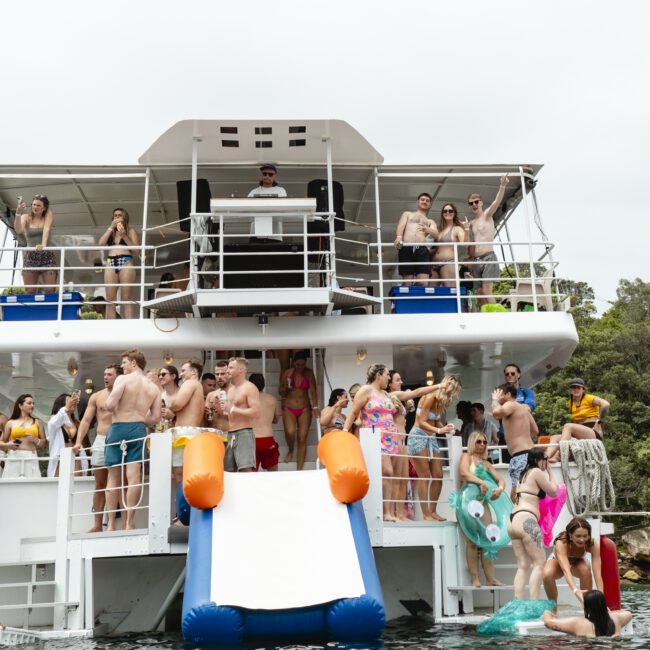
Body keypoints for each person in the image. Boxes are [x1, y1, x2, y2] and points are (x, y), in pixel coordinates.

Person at [104, 349, 161, 531]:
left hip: (119, 426)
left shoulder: (123, 379)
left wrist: (109, 405)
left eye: (125, 363)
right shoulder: (153, 388)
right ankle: (129, 523)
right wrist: (141, 419)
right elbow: (156, 417)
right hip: (138, 428)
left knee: (113, 476)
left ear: (134, 363)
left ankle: (112, 524)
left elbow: (111, 404)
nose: (122, 366)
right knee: (134, 477)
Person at [343, 363, 401, 521]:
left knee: (389, 475)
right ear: (379, 375)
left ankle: (387, 512)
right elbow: (354, 412)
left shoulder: (386, 394)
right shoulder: (366, 390)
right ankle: (382, 511)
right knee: (387, 471)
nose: (389, 378)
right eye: (387, 374)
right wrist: (344, 431)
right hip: (374, 437)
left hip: (390, 437)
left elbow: (393, 414)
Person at [73, 363, 123, 533]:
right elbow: (86, 420)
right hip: (101, 439)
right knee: (100, 483)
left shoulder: (126, 395)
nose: (105, 377)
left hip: (120, 440)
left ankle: (115, 523)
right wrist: (79, 441)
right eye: (105, 374)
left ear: (119, 376)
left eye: (110, 374)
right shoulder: (97, 396)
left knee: (119, 483)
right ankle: (97, 523)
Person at [388, 370, 445, 520]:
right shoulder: (391, 396)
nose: (401, 382)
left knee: (402, 480)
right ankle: (394, 513)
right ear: (390, 383)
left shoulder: (398, 398)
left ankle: (400, 514)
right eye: (397, 380)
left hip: (402, 440)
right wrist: (439, 386)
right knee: (396, 479)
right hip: (395, 440)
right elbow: (417, 392)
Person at [407, 375, 462, 521]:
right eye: (452, 391)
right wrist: (439, 431)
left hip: (431, 438)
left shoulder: (441, 402)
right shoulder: (430, 396)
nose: (452, 395)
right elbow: (421, 422)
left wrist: (445, 428)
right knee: (424, 476)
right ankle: (426, 514)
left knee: (438, 475)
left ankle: (432, 511)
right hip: (418, 436)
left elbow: (435, 422)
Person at [507, 447, 557, 599]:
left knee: (522, 565)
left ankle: (518, 601)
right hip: (526, 520)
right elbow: (553, 491)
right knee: (539, 562)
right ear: (537, 460)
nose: (547, 462)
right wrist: (550, 472)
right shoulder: (536, 472)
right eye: (545, 459)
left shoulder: (523, 475)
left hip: (513, 521)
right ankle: (533, 602)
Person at [459, 431, 506, 587]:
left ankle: (490, 578)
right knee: (472, 541)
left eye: (485, 442)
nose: (482, 445)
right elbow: (464, 473)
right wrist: (481, 482)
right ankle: (475, 578)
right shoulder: (466, 457)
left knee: (487, 539)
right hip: (467, 503)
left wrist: (500, 489)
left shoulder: (487, 464)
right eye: (479, 441)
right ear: (473, 442)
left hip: (482, 503)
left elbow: (500, 479)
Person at [543, 517, 604, 612]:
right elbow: (566, 571)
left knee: (585, 570)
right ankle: (553, 609)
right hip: (558, 564)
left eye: (585, 536)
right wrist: (576, 591)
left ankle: (588, 608)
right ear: (570, 535)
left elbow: (597, 573)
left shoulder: (592, 544)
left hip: (576, 563)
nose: (582, 539)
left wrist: (601, 597)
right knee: (547, 574)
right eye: (578, 536)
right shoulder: (561, 543)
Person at [466, 174, 509, 305]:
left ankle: (496, 316)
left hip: (489, 257)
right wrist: (467, 229)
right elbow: (469, 245)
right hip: (477, 260)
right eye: (471, 203)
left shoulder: (487, 215)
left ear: (481, 203)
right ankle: (485, 316)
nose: (474, 204)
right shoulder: (472, 223)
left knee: (486, 291)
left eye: (476, 202)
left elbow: (497, 202)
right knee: (479, 292)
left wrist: (502, 185)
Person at [491, 383, 538, 500]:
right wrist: (520, 435)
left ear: (508, 394)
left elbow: (496, 413)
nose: (496, 394)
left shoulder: (510, 404)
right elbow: (535, 430)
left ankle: (519, 516)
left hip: (521, 455)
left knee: (517, 493)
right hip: (529, 453)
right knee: (526, 491)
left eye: (499, 392)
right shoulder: (523, 408)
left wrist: (494, 400)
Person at [547, 378, 610, 462]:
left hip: (592, 431)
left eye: (578, 387)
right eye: (573, 387)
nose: (576, 389)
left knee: (568, 426)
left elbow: (606, 404)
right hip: (579, 432)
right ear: (571, 390)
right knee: (554, 437)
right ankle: (546, 457)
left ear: (583, 389)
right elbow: (576, 422)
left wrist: (599, 421)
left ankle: (561, 454)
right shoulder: (570, 403)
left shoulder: (589, 398)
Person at [97, 208, 141, 319]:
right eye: (115, 215)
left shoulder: (131, 231)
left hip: (126, 262)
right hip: (111, 262)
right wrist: (111, 227)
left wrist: (124, 236)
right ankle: (110, 327)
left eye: (119, 215)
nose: (117, 217)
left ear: (124, 218)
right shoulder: (110, 232)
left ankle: (129, 326)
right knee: (110, 297)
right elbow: (100, 244)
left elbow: (137, 250)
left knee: (126, 297)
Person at [279, 352, 319, 470]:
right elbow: (280, 391)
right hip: (289, 407)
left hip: (305, 407)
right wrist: (286, 386)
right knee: (290, 432)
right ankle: (291, 449)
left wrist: (315, 407)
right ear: (293, 363)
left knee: (302, 438)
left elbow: (313, 391)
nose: (300, 367)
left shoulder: (309, 373)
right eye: (298, 364)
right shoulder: (287, 373)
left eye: (302, 364)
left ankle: (299, 469)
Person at [169, 359, 206, 485]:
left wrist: (170, 405)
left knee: (179, 470)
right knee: (191, 470)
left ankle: (185, 502)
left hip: (185, 433)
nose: (181, 374)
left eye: (184, 370)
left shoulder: (190, 383)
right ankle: (190, 501)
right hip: (192, 432)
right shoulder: (198, 386)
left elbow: (178, 404)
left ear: (194, 371)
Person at [221, 357, 260, 472]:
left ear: (241, 370)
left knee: (245, 469)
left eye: (231, 367)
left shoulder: (249, 388)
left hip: (244, 432)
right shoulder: (231, 389)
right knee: (228, 471)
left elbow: (256, 412)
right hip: (230, 433)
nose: (227, 370)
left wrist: (233, 408)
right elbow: (228, 411)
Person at [14, 194, 57, 293]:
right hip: (30, 257)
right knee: (30, 290)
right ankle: (32, 308)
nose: (35, 207)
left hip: (47, 256)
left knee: (50, 289)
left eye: (38, 205)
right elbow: (18, 230)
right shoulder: (26, 217)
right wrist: (17, 214)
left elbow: (46, 229)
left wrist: (43, 245)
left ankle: (49, 308)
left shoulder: (48, 214)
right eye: (34, 205)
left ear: (44, 208)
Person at [543, 590, 632, 638]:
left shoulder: (578, 623)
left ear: (587, 608)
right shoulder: (616, 619)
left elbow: (548, 623)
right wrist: (608, 612)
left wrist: (547, 612)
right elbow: (628, 613)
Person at [393, 193, 437, 286]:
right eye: (422, 199)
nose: (424, 201)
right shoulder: (408, 214)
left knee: (423, 282)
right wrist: (399, 237)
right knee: (407, 282)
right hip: (406, 247)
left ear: (430, 204)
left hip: (422, 250)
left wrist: (428, 229)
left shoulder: (430, 221)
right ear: (418, 201)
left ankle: (416, 295)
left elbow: (437, 234)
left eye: (427, 200)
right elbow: (400, 227)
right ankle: (408, 297)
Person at [497, 363, 536, 461]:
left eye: (512, 373)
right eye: (507, 374)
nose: (509, 375)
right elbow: (496, 412)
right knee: (505, 469)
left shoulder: (526, 392)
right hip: (503, 436)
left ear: (518, 375)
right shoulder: (501, 393)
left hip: (522, 440)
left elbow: (528, 408)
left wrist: (523, 436)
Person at [1, 394, 47, 478]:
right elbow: (1, 443)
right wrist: (8, 445)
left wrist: (36, 440)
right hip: (14, 456)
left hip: (31, 456)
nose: (32, 405)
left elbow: (44, 443)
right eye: (29, 403)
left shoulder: (37, 422)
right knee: (12, 484)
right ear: (20, 405)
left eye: (33, 403)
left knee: (32, 484)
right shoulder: (10, 422)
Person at [432, 203, 470, 286]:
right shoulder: (439, 230)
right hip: (433, 264)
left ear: (454, 213)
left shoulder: (457, 229)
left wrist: (467, 229)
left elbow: (465, 245)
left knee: (451, 291)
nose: (447, 212)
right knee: (430, 293)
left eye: (450, 210)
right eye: (445, 211)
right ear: (442, 214)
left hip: (448, 263)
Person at [249, 373, 281, 471]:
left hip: (251, 439)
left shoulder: (246, 400)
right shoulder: (272, 399)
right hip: (268, 439)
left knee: (250, 475)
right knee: (272, 473)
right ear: (263, 384)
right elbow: (276, 419)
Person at [46, 392, 80, 477]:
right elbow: (53, 423)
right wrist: (66, 408)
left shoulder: (76, 422)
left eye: (73, 401)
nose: (72, 402)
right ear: (61, 404)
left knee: (77, 484)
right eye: (68, 400)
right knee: (59, 485)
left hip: (75, 457)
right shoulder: (54, 418)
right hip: (60, 458)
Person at [205, 360, 231, 432]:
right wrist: (207, 414)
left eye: (223, 374)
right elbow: (208, 421)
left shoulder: (236, 393)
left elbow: (241, 419)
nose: (219, 377)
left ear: (229, 373)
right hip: (214, 436)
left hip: (230, 435)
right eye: (217, 374)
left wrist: (221, 410)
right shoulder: (211, 395)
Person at [158, 365, 179, 431]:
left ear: (173, 376)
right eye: (159, 375)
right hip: (164, 433)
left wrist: (173, 417)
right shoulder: (160, 396)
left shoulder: (182, 394)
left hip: (179, 433)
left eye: (163, 374)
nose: (160, 377)